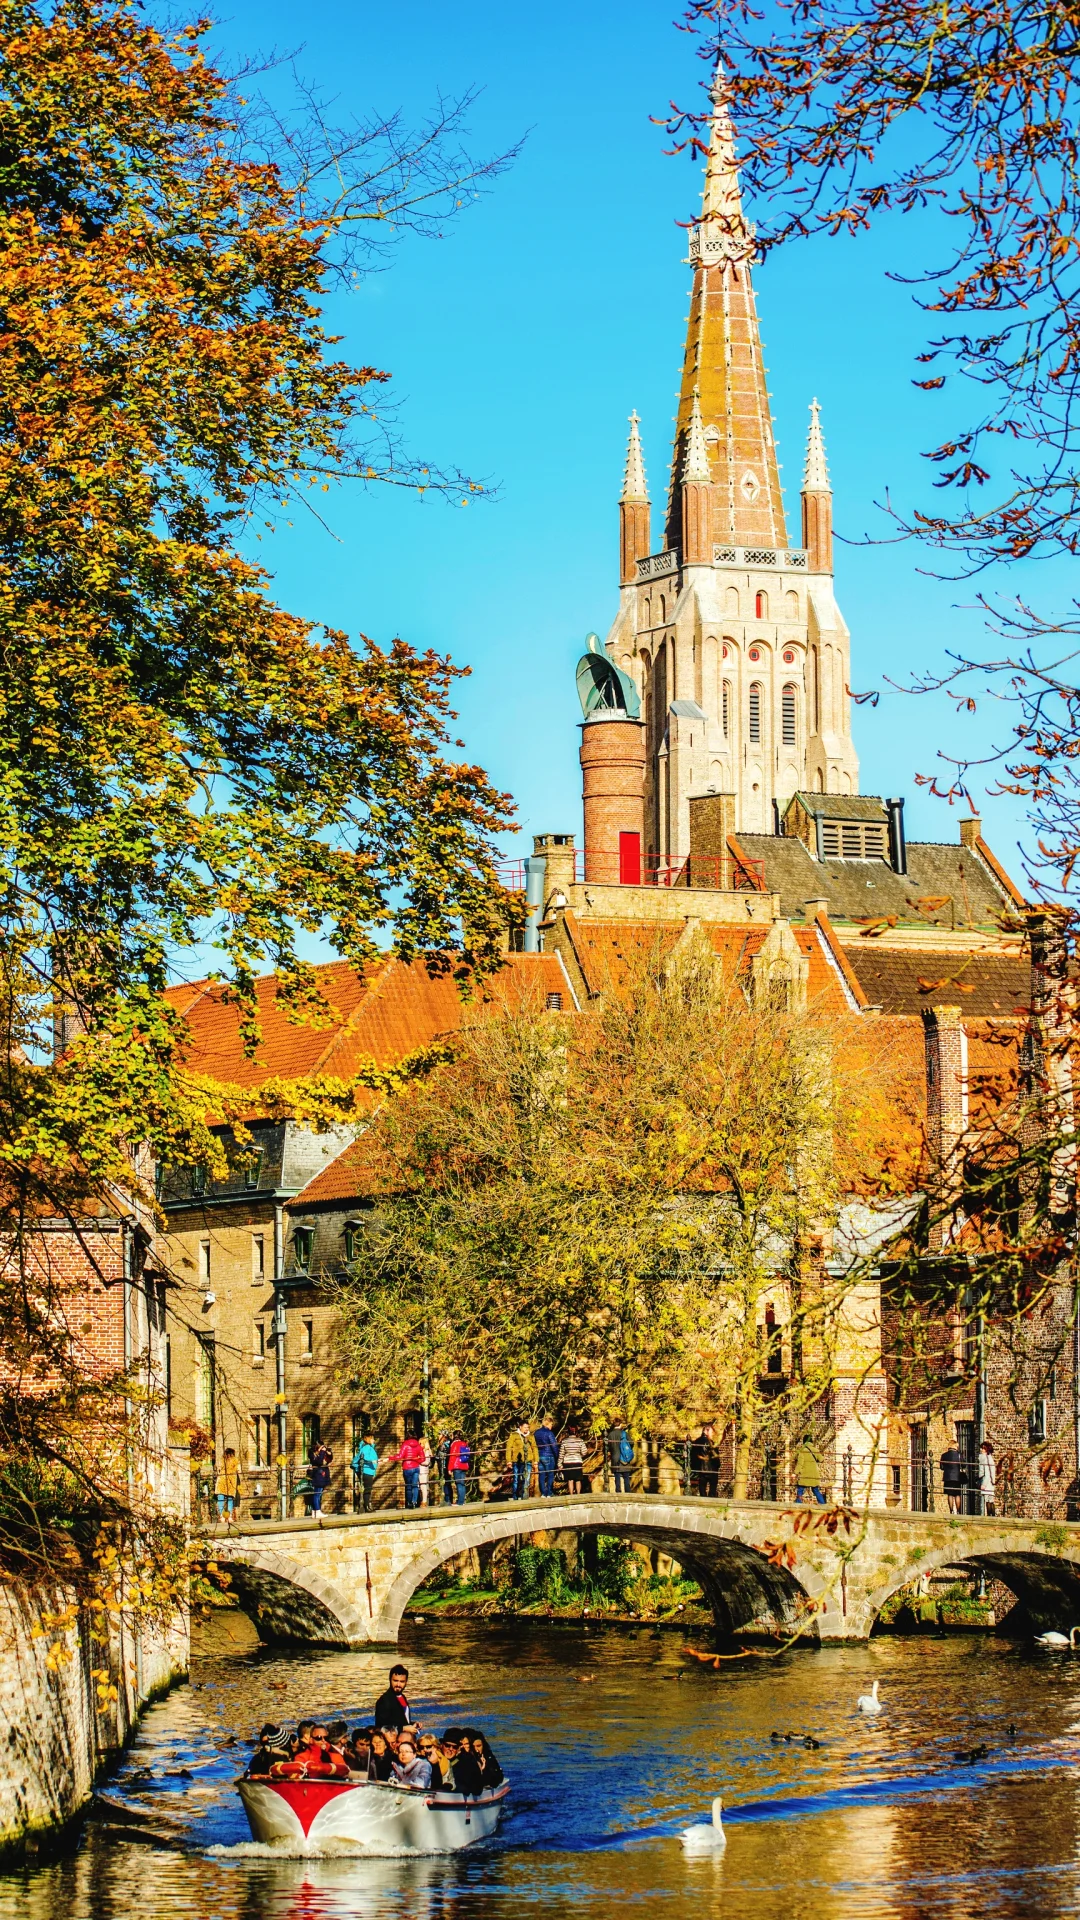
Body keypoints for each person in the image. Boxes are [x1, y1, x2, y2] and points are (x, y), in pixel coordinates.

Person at [388, 1430, 426, 1509]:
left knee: (408, 1486)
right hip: (416, 1467)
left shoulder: (405, 1444)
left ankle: (409, 1503)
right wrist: (416, 1461)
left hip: (407, 1467)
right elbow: (423, 1458)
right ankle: (414, 1502)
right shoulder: (418, 1445)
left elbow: (400, 1456)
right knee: (415, 1485)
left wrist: (390, 1458)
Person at [374, 1663, 412, 1731]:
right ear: (390, 1680)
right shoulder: (384, 1700)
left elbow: (401, 1722)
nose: (398, 1684)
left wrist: (413, 1725)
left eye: (402, 1681)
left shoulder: (402, 1697)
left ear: (406, 1682)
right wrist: (403, 1728)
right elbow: (381, 1727)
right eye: (395, 1681)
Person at [506, 1419, 538, 1499]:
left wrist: (536, 1460)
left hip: (528, 1460)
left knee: (526, 1479)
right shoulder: (514, 1435)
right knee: (516, 1478)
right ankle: (515, 1496)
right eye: (525, 1427)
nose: (527, 1429)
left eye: (528, 1427)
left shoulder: (531, 1436)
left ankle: (524, 1496)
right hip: (517, 1461)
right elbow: (509, 1448)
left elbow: (534, 1448)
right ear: (520, 1427)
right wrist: (509, 1460)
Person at [689, 1423, 720, 1498]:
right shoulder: (710, 1442)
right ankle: (711, 1499)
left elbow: (693, 1456)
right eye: (711, 1432)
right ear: (706, 1430)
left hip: (700, 1469)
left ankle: (703, 1499)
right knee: (713, 1485)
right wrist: (718, 1465)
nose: (712, 1434)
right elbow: (715, 1456)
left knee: (702, 1486)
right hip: (711, 1469)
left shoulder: (696, 1441)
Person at [795, 1435, 826, 1505]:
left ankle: (798, 1503)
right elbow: (821, 1459)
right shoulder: (815, 1450)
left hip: (805, 1475)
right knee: (816, 1490)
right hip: (814, 1474)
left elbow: (800, 1464)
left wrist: (795, 1472)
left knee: (800, 1490)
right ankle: (822, 1503)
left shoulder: (802, 1451)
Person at [351, 1432, 379, 1512]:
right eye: (372, 1438)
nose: (374, 1440)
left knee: (367, 1489)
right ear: (369, 1439)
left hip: (368, 1470)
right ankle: (366, 1507)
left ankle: (367, 1506)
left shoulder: (369, 1447)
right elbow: (365, 1457)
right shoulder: (367, 1447)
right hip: (367, 1470)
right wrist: (374, 1461)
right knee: (367, 1489)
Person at [606, 1418, 634, 1495]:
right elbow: (631, 1443)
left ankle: (618, 1492)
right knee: (626, 1477)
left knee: (617, 1476)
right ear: (620, 1424)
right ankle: (628, 1492)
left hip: (615, 1458)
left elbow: (607, 1447)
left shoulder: (610, 1435)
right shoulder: (624, 1434)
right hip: (624, 1457)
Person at [558, 1424, 587, 1494]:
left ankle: (571, 1494)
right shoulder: (580, 1441)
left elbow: (561, 1453)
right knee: (578, 1479)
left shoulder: (564, 1441)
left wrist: (559, 1463)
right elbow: (584, 1451)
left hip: (568, 1462)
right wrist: (580, 1455)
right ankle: (578, 1494)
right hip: (577, 1461)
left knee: (570, 1479)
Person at [534, 1416, 560, 1497]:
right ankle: (549, 1492)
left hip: (539, 1456)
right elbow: (554, 1445)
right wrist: (557, 1455)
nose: (552, 1426)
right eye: (551, 1424)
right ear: (548, 1423)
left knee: (541, 1475)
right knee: (550, 1474)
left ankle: (543, 1493)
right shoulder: (549, 1433)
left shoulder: (536, 1433)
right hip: (549, 1456)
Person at [215, 1447, 240, 1525]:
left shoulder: (221, 1460)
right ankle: (229, 1517)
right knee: (230, 1498)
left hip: (222, 1479)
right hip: (231, 1480)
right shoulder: (235, 1460)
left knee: (220, 1498)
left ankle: (222, 1516)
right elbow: (239, 1470)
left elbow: (218, 1469)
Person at [940, 1439, 964, 1515]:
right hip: (957, 1477)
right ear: (955, 1446)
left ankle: (951, 1511)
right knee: (957, 1494)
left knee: (950, 1494)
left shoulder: (944, 1455)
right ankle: (958, 1511)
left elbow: (941, 1467)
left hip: (948, 1477)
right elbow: (964, 1465)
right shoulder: (959, 1455)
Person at [448, 1432, 471, 1505]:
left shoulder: (454, 1444)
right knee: (462, 1483)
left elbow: (452, 1457)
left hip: (457, 1466)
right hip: (464, 1465)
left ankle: (460, 1502)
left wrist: (449, 1468)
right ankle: (462, 1500)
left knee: (458, 1483)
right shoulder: (464, 1443)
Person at [310, 1441, 333, 1516]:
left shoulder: (321, 1453)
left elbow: (328, 1460)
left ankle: (314, 1512)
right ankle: (317, 1511)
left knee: (318, 1494)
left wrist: (329, 1454)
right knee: (317, 1494)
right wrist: (322, 1452)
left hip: (323, 1475)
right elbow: (319, 1462)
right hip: (318, 1475)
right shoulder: (312, 1454)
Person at [978, 1439, 997, 1517]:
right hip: (991, 1482)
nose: (981, 1450)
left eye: (983, 1448)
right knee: (990, 1500)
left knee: (988, 1501)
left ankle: (990, 1516)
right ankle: (992, 1516)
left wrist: (984, 1484)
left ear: (986, 1450)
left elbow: (987, 1472)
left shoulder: (985, 1459)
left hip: (987, 1482)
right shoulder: (990, 1458)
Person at [417, 1431, 432, 1507]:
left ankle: (424, 1501)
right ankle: (422, 1500)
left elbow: (426, 1462)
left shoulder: (426, 1451)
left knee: (423, 1486)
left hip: (423, 1470)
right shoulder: (422, 1451)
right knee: (421, 1486)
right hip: (420, 1470)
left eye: (420, 1443)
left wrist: (418, 1461)